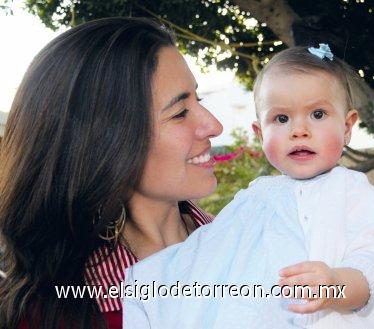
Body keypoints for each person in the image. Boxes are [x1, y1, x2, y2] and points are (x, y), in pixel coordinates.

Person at [123, 45, 374, 328]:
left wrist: (336, 283)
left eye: (318, 114)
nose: (299, 130)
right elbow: (209, 256)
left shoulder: (353, 192)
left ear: (347, 126)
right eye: (281, 118)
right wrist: (154, 278)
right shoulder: (253, 197)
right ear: (259, 133)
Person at [0, 17, 222, 329]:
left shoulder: (246, 240)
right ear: (103, 141)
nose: (214, 125)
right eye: (180, 112)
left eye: (198, 99)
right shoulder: (51, 314)